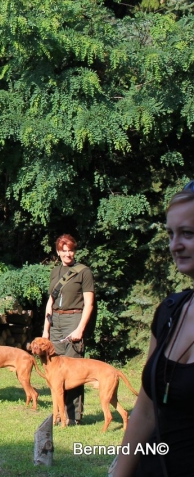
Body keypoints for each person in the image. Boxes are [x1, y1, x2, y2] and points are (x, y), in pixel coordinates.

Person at [112, 186, 194, 477]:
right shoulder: (170, 312)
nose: (174, 246)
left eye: (188, 234)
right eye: (171, 234)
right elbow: (145, 411)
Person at [41, 233, 94, 425]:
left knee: (74, 369)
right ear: (58, 252)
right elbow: (50, 301)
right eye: (64, 251)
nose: (67, 254)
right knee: (54, 369)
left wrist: (80, 329)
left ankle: (73, 416)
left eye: (70, 250)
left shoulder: (84, 272)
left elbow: (89, 304)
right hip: (55, 321)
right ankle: (58, 414)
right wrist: (46, 330)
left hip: (74, 319)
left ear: (74, 251)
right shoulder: (55, 271)